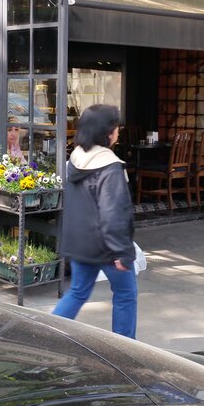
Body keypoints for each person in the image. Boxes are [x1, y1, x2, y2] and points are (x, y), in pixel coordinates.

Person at [52, 103, 137, 338]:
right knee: (126, 295)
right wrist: (122, 252)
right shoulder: (110, 167)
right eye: (116, 127)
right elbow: (113, 214)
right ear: (108, 132)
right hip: (107, 247)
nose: (118, 131)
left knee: (77, 292)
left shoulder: (75, 159)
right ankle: (125, 347)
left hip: (79, 243)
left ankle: (48, 332)